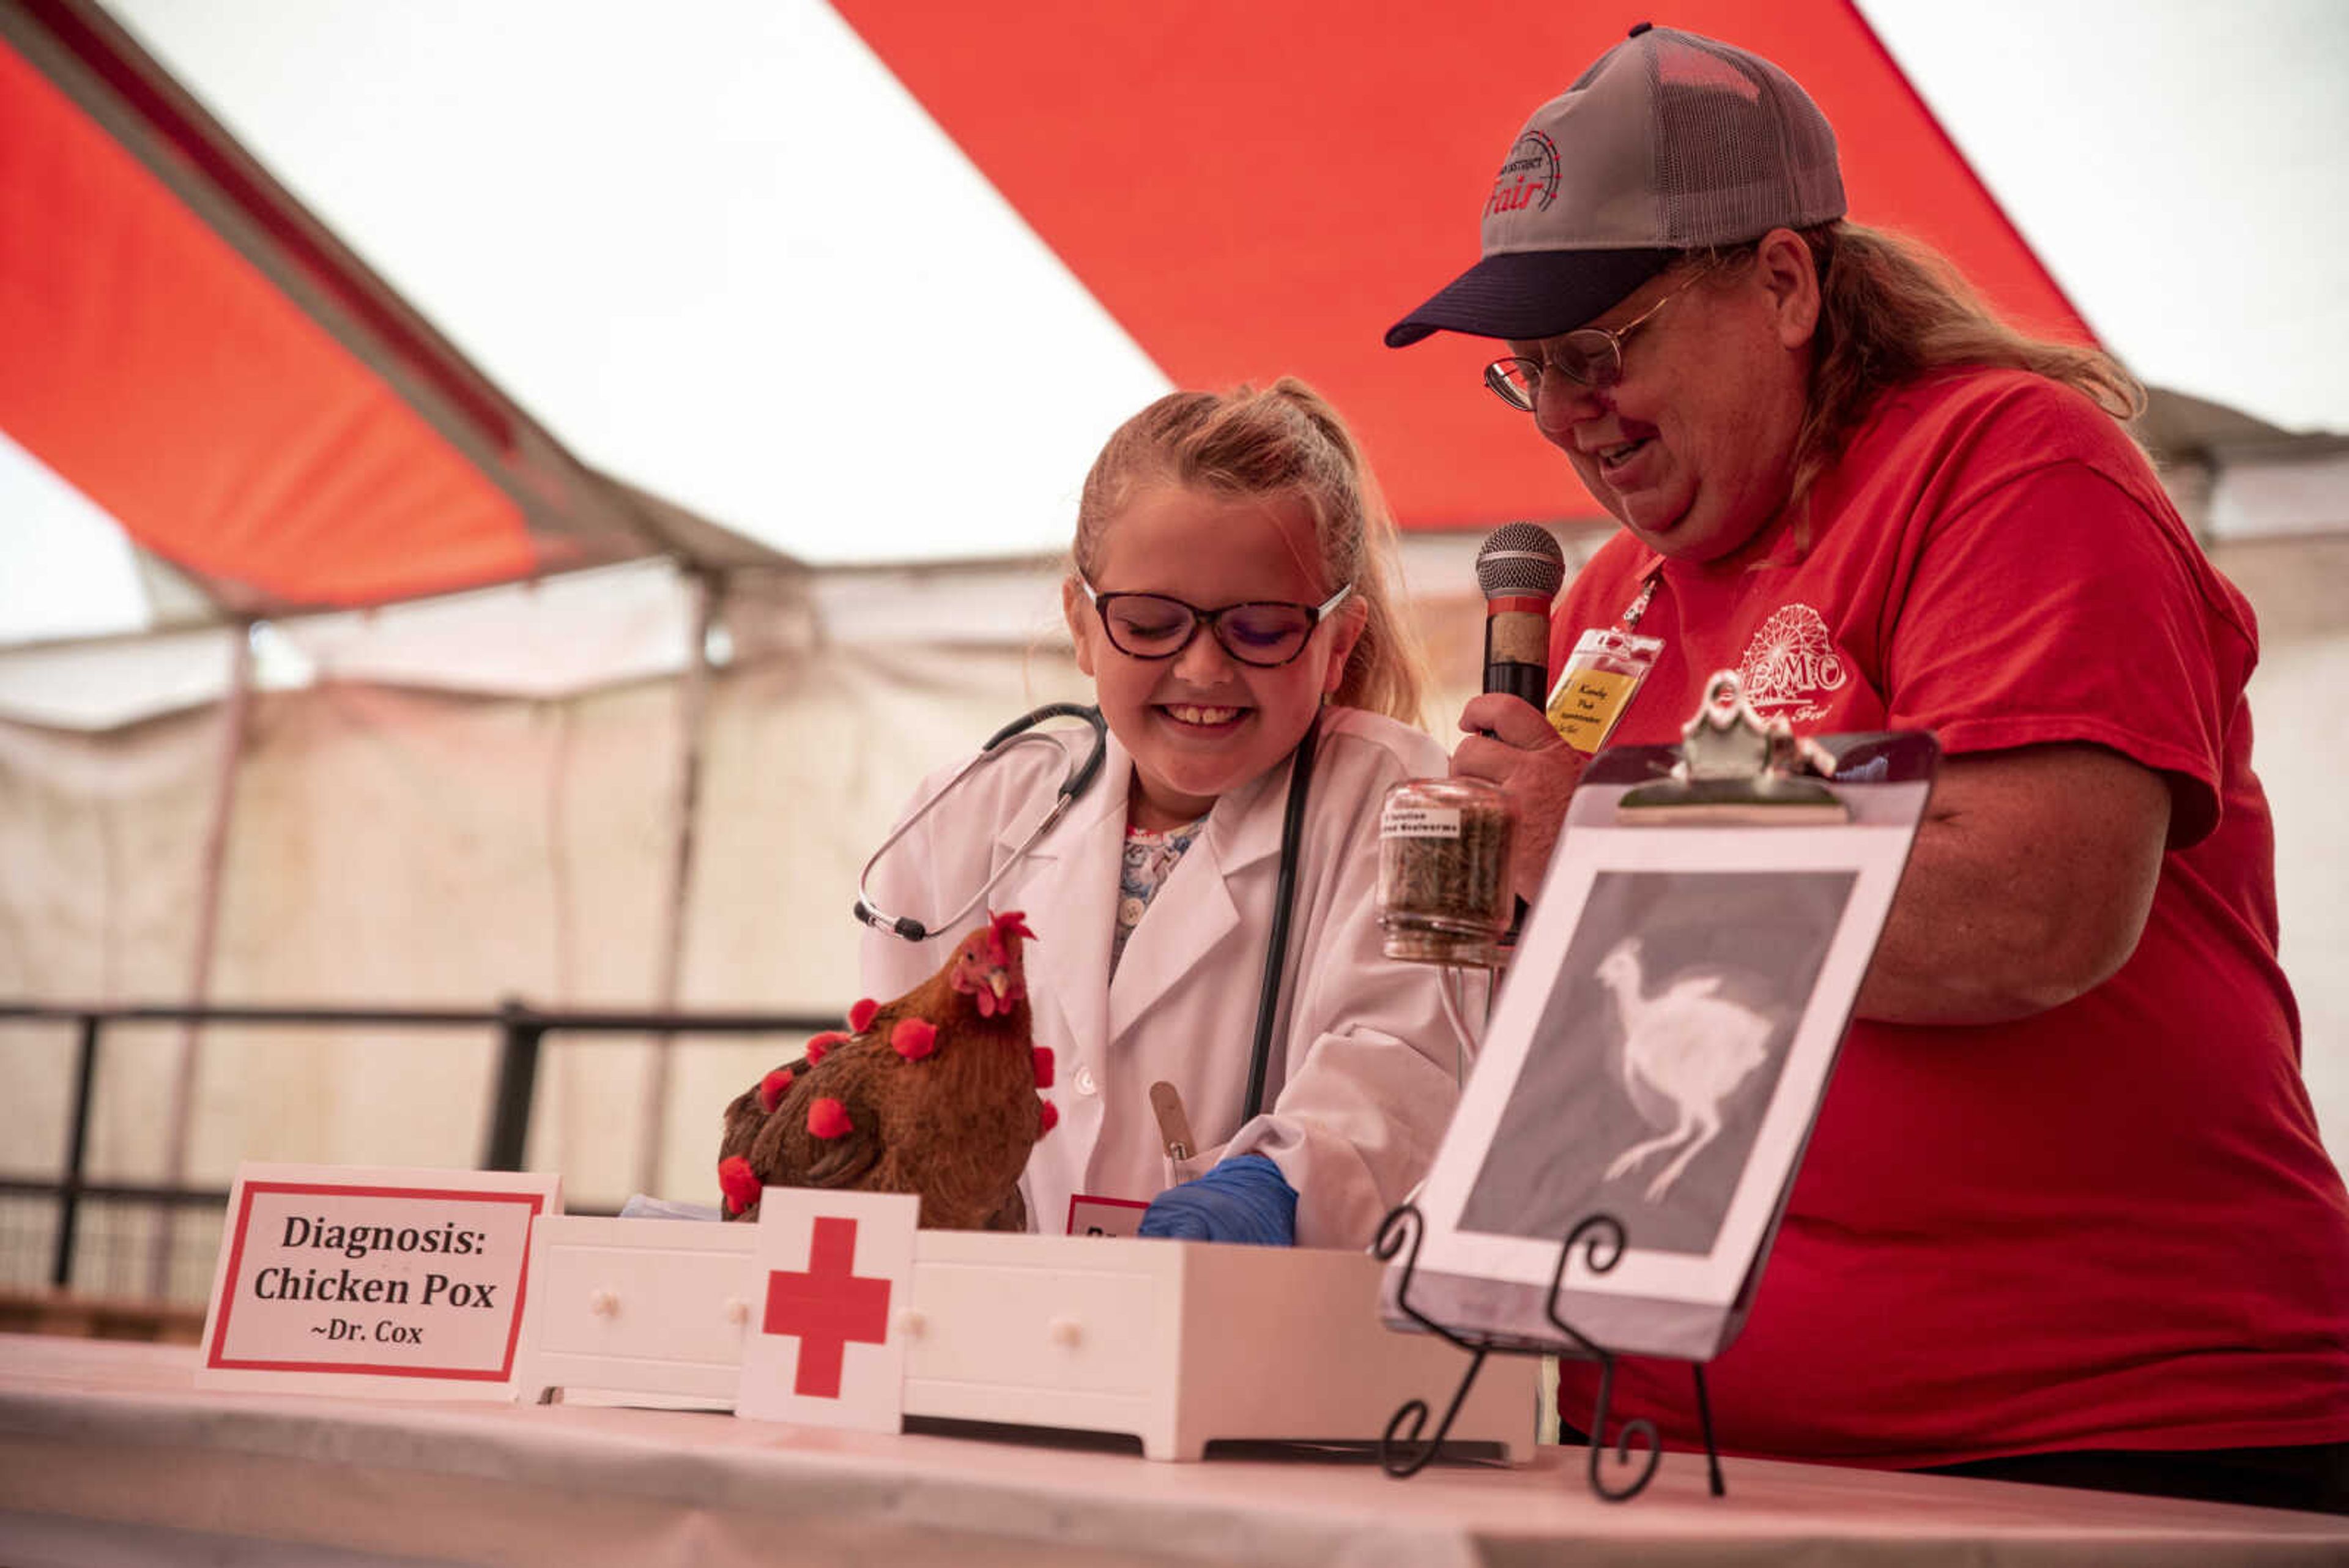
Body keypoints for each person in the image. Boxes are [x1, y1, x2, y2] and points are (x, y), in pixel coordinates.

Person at [1385, 22, 2349, 1513]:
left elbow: (2036, 911)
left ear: (1782, 282)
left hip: (2102, 1446)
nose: (1573, 409)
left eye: (1607, 344)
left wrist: (1597, 838)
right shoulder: (1603, 608)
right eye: (1535, 370)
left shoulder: (2011, 465)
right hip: (1666, 1444)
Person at [859, 379, 1467, 1249]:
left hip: (1268, 1340)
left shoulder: (1409, 805)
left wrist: (1277, 1188)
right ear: (1081, 622)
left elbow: (1404, 1060)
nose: (1204, 669)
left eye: (1261, 630)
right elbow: (897, 1088)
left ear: (1338, 642)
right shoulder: (966, 817)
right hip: (994, 1328)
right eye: (1150, 623)